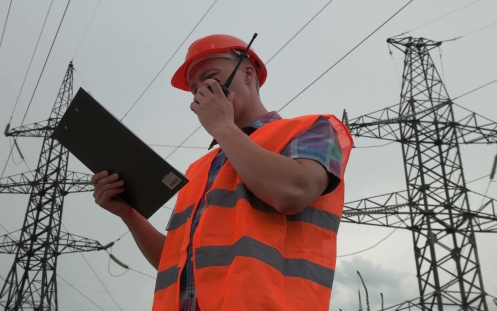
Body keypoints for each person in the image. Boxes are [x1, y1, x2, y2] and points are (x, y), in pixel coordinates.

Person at [91, 34, 353, 311]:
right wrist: (128, 213)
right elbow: (175, 263)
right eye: (194, 89)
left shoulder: (310, 129)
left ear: (248, 74)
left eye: (210, 78)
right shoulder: (199, 170)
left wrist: (223, 127)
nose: (200, 93)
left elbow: (292, 192)